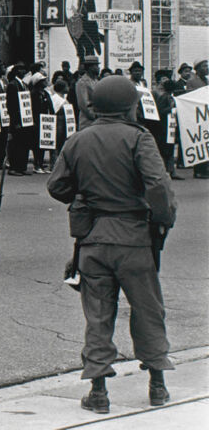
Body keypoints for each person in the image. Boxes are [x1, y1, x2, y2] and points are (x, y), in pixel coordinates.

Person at [46, 75, 176, 414]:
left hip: (92, 239)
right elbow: (158, 187)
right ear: (129, 106)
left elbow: (57, 187)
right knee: (148, 309)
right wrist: (163, 219)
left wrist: (85, 194)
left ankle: (99, 391)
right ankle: (158, 385)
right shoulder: (138, 138)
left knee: (98, 315)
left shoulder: (78, 140)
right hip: (134, 237)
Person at [74, 55, 101, 130]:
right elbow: (83, 104)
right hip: (87, 122)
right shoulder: (82, 82)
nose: (98, 68)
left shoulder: (96, 81)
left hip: (98, 121)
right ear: (90, 67)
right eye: (96, 66)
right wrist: (94, 116)